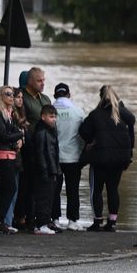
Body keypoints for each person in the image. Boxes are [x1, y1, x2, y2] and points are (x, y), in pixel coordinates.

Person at [79, 85, 135, 232]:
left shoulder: (95, 115)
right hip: (119, 159)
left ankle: (97, 221)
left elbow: (83, 130)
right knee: (113, 189)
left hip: (100, 159)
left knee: (96, 189)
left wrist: (92, 141)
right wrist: (129, 155)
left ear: (101, 98)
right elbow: (131, 135)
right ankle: (112, 222)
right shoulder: (124, 114)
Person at [0, 85, 23, 234]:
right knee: (10, 188)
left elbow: (14, 131)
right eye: (8, 94)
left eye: (12, 94)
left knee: (8, 188)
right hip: (2, 155)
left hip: (9, 154)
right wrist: (19, 135)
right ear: (0, 96)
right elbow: (2, 136)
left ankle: (0, 221)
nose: (11, 97)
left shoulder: (8, 114)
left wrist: (18, 136)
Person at [18, 67, 51, 230]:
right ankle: (25, 216)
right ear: (30, 81)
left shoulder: (44, 98)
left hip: (45, 146)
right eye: (39, 80)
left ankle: (41, 216)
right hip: (29, 147)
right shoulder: (22, 98)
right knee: (27, 183)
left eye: (43, 80)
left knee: (43, 183)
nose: (42, 83)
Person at [52, 83, 87, 230]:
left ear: (55, 95)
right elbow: (85, 133)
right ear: (69, 94)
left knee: (55, 190)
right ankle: (73, 220)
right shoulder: (78, 112)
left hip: (55, 158)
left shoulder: (49, 111)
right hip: (73, 157)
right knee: (73, 189)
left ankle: (55, 219)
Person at [29, 104, 61, 235]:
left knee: (49, 198)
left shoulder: (50, 131)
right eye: (51, 117)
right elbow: (41, 153)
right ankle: (41, 224)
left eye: (55, 117)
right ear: (43, 117)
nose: (54, 119)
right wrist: (44, 171)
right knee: (43, 198)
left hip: (51, 170)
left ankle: (45, 222)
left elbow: (54, 152)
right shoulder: (42, 132)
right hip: (44, 171)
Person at [10, 88, 32, 230]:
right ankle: (11, 218)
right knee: (13, 187)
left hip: (24, 156)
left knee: (20, 187)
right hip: (14, 155)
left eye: (21, 97)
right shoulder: (12, 115)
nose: (20, 99)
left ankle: (19, 217)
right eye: (17, 97)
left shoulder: (23, 115)